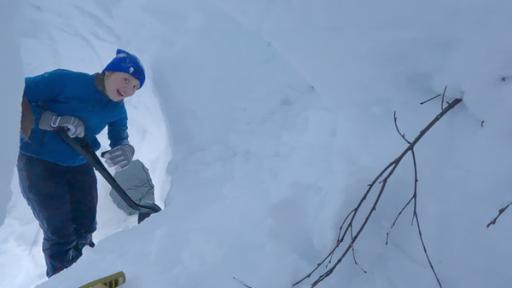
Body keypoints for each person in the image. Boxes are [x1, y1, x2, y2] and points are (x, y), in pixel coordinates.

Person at [17, 49, 145, 277]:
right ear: (109, 72)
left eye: (135, 87)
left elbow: (120, 134)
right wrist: (50, 119)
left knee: (86, 228)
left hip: (80, 163)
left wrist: (125, 148)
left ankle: (88, 275)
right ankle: (62, 281)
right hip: (38, 163)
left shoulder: (116, 108)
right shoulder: (65, 81)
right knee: (60, 232)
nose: (128, 89)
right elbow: (14, 93)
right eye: (126, 79)